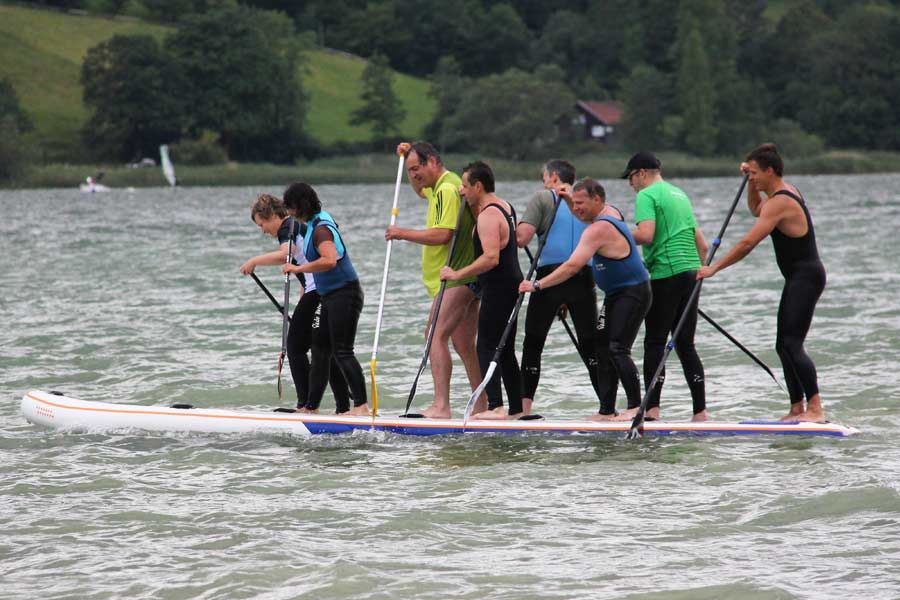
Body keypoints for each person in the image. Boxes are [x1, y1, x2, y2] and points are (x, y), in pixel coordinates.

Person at [698, 143, 826, 422]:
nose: (751, 177)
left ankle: (815, 409)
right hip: (799, 276)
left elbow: (747, 243)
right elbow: (756, 208)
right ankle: (796, 408)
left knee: (792, 344)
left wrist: (715, 268)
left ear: (770, 170)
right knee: (783, 345)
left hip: (806, 277)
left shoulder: (781, 200)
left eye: (754, 173)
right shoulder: (781, 192)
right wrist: (749, 183)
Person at [520, 179, 651, 420]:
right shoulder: (608, 212)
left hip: (633, 292)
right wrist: (572, 201)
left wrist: (537, 285)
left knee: (617, 348)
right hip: (615, 294)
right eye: (574, 203)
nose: (576, 209)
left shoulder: (597, 229)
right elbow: (582, 215)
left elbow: (571, 266)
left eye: (581, 203)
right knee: (601, 348)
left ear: (597, 200)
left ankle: (635, 408)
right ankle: (607, 411)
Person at [385, 141, 485, 418]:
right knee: (464, 345)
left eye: (417, 168)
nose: (414, 175)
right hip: (466, 276)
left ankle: (442, 406)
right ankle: (482, 404)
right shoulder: (446, 184)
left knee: (433, 336)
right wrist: (406, 160)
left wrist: (400, 233)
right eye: (410, 171)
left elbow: (443, 234)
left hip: (456, 277)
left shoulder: (446, 190)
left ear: (433, 162)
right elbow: (420, 191)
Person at [516, 160, 619, 416]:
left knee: (533, 343)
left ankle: (523, 409)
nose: (543, 183)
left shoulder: (543, 198)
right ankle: (607, 409)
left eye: (544, 177)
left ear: (552, 177)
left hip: (550, 278)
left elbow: (522, 239)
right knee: (590, 346)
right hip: (584, 277)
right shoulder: (586, 204)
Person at [239, 193, 351, 411]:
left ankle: (306, 405)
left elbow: (285, 255)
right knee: (323, 349)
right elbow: (306, 263)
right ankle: (344, 408)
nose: (263, 230)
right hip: (323, 289)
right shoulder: (297, 224)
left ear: (272, 215)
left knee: (295, 347)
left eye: (262, 224)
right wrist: (303, 304)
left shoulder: (287, 226)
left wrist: (254, 261)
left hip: (319, 290)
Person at [625, 151, 709, 421]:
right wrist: (695, 273)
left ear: (641, 173)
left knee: (654, 341)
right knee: (686, 344)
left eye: (630, 178)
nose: (630, 184)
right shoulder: (679, 194)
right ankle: (700, 413)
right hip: (692, 271)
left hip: (666, 272)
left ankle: (652, 410)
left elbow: (646, 234)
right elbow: (703, 245)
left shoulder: (646, 196)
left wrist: (615, 232)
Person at [441, 161, 523, 419]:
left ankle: (496, 407)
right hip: (510, 284)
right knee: (505, 348)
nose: (461, 191)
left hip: (499, 287)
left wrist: (457, 274)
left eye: (465, 186)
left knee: (486, 346)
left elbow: (491, 258)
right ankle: (517, 410)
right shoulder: (506, 207)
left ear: (479, 185)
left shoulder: (488, 215)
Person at [282, 183, 370, 416]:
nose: (289, 213)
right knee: (320, 347)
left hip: (345, 293)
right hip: (329, 295)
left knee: (342, 351)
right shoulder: (314, 222)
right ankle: (318, 408)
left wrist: (297, 268)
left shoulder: (321, 229)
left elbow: (329, 260)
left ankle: (360, 406)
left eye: (290, 208)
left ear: (300, 206)